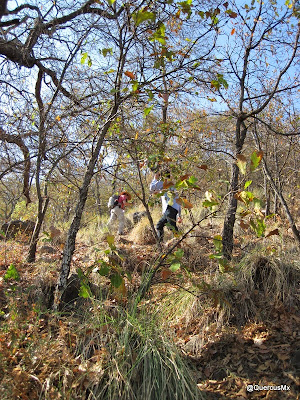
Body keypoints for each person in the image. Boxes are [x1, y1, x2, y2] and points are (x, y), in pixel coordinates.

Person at [150, 171, 182, 242]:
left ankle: (179, 243)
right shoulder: (170, 185)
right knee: (159, 226)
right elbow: (178, 201)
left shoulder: (164, 182)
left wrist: (155, 178)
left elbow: (152, 188)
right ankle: (160, 244)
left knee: (172, 227)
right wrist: (179, 215)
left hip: (170, 209)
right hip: (169, 210)